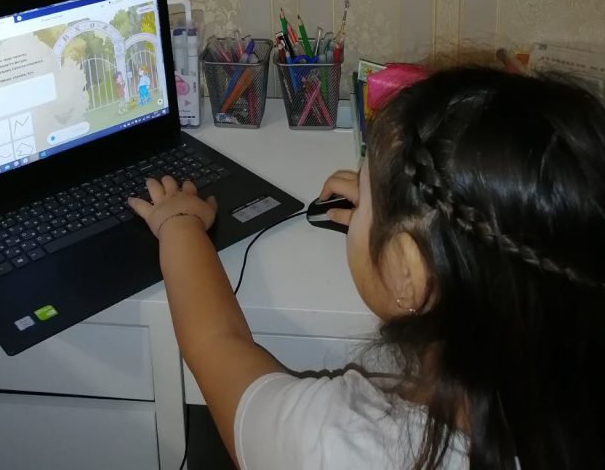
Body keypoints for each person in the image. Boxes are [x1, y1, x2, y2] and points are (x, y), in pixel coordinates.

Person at [128, 66, 605, 468]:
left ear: (407, 272)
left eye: (366, 190)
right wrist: (406, 219)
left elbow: (215, 343)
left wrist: (178, 223)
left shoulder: (340, 443)